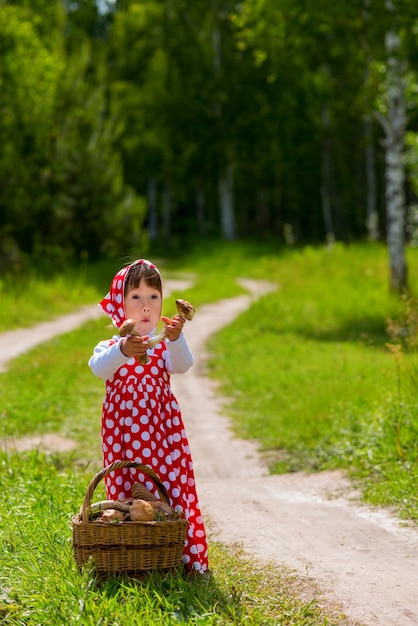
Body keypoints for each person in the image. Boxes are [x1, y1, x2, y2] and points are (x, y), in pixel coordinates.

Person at [89, 258, 209, 574]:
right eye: (136, 298)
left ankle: (175, 555)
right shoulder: (111, 346)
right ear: (120, 304)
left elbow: (183, 365)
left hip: (163, 434)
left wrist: (176, 338)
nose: (146, 307)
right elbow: (98, 368)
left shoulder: (162, 346)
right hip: (125, 437)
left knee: (170, 485)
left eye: (153, 298)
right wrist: (123, 351)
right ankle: (133, 558)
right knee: (128, 492)